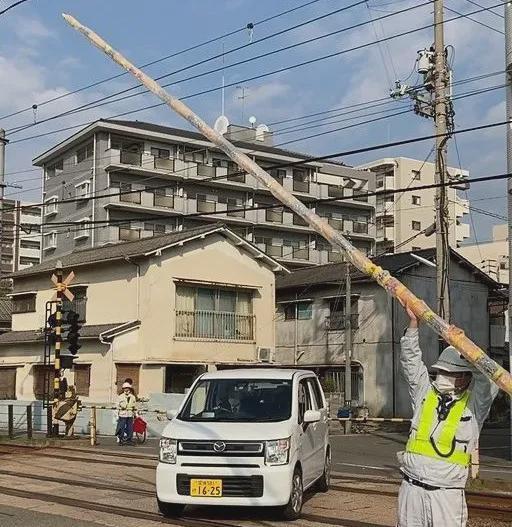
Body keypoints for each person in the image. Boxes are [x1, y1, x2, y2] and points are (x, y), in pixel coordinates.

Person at [397, 301, 499, 526]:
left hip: (446, 495)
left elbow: (491, 380)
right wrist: (414, 324)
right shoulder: (425, 393)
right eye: (440, 371)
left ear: (466, 376)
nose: (442, 376)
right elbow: (411, 363)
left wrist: (467, 348)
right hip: (411, 489)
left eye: (449, 372)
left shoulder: (474, 406)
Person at [117, 381, 137, 445]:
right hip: (122, 414)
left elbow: (135, 406)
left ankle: (129, 439)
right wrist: (119, 410)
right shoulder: (120, 396)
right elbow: (117, 405)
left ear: (130, 389)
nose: (126, 389)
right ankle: (121, 439)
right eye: (125, 388)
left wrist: (136, 414)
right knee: (121, 427)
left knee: (130, 428)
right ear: (123, 389)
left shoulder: (133, 397)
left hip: (130, 414)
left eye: (127, 388)